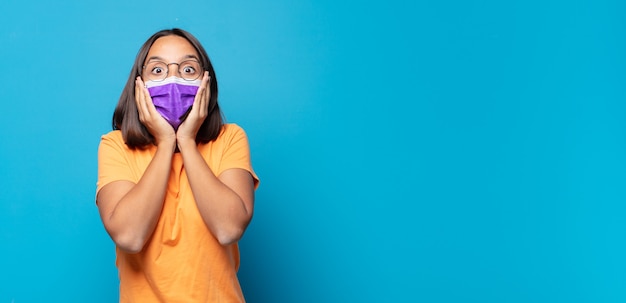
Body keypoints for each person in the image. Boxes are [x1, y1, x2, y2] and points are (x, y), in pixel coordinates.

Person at [96, 28, 259, 302]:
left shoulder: (230, 139)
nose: (173, 79)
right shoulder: (116, 146)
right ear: (139, 84)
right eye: (158, 70)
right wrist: (164, 143)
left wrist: (186, 140)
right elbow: (130, 237)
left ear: (207, 82)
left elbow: (228, 229)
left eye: (188, 69)